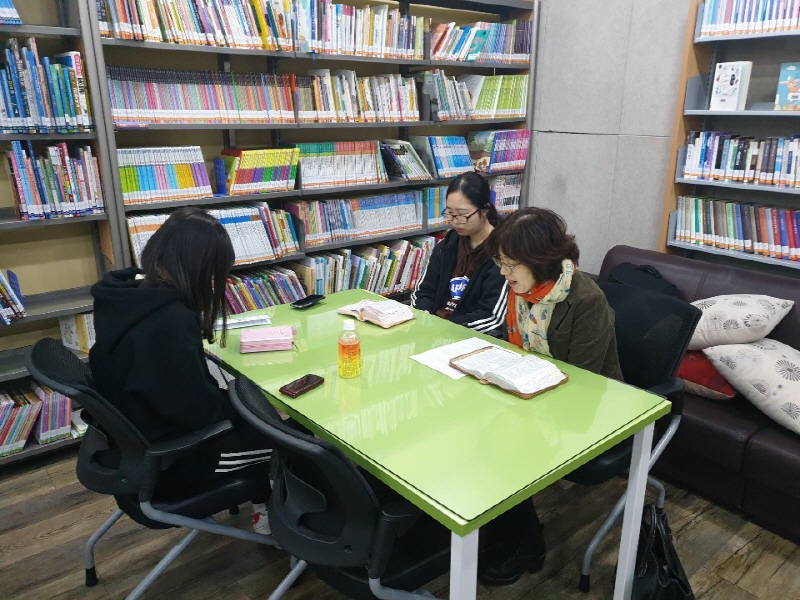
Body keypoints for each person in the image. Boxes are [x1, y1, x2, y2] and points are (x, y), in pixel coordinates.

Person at [89, 207, 272, 533]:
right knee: (293, 442)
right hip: (173, 463)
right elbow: (199, 414)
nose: (214, 283)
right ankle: (280, 521)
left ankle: (264, 499)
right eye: (214, 274)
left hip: (138, 448)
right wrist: (248, 406)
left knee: (256, 412)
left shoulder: (125, 296)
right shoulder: (170, 322)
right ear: (197, 269)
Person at [478, 207, 623, 586]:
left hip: (583, 407)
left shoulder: (585, 301)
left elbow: (584, 384)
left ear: (540, 261)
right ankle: (503, 522)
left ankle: (527, 539)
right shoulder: (523, 290)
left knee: (502, 441)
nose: (503, 273)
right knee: (470, 422)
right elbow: (514, 347)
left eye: (510, 264)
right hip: (529, 389)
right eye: (500, 263)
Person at [411, 172, 508, 337]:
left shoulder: (502, 253)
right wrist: (424, 317)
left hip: (468, 336)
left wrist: (446, 329)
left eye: (462, 215)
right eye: (450, 213)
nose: (455, 221)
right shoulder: (448, 244)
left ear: (484, 209)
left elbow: (491, 316)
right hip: (432, 330)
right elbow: (423, 291)